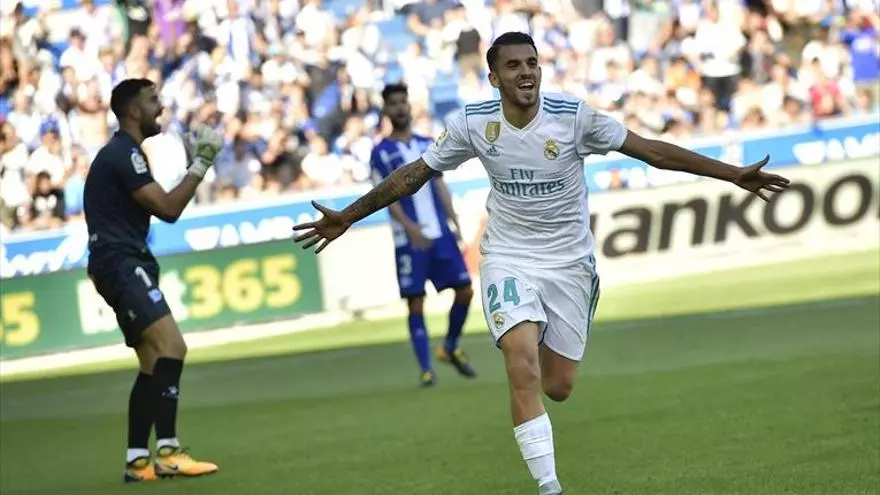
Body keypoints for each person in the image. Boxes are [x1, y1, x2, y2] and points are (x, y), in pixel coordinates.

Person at [292, 32, 790, 494]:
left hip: (569, 262)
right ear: (494, 78)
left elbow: (652, 151)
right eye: (513, 66)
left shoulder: (573, 117)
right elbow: (414, 175)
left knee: (559, 387)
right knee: (521, 364)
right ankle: (550, 487)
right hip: (508, 257)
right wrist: (349, 216)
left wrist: (732, 174)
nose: (526, 71)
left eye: (532, 63)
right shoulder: (474, 123)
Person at [83, 78, 222, 483]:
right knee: (173, 347)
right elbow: (168, 209)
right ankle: (169, 452)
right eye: (152, 100)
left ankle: (137, 461)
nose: (160, 107)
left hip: (119, 261)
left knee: (151, 362)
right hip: (121, 262)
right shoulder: (123, 154)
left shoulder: (124, 153)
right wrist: (202, 163)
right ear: (132, 111)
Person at [371, 83, 476, 387]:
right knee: (415, 301)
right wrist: (410, 228)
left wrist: (454, 221)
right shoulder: (380, 152)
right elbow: (383, 196)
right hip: (410, 239)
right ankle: (427, 369)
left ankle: (449, 346)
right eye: (393, 103)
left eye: (403, 102)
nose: (400, 108)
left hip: (440, 233)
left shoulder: (428, 143)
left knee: (465, 290)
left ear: (409, 106)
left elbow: (439, 184)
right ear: (386, 109)